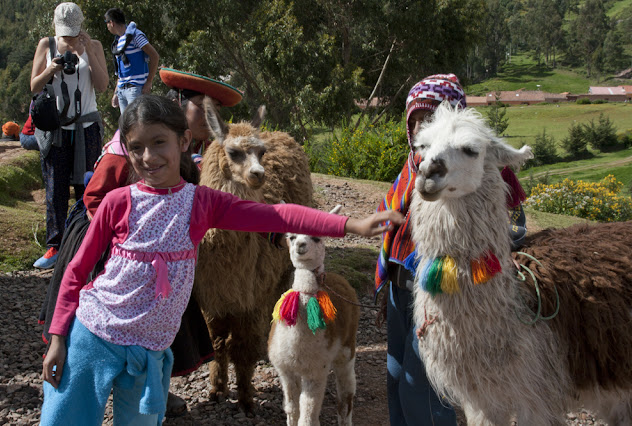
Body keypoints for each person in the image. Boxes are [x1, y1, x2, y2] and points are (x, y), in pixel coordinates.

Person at [40, 94, 403, 425]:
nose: (148, 157)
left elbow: (281, 217)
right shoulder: (119, 203)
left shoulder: (201, 204)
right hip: (94, 335)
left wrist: (353, 224)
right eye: (137, 147)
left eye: (159, 143)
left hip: (149, 351)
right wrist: (58, 337)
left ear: (183, 142)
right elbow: (77, 269)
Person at [376, 74, 528, 425]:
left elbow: (504, 237)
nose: (419, 128)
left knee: (422, 390)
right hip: (401, 287)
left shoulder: (478, 172)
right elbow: (394, 231)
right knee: (396, 378)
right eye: (415, 120)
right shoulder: (413, 169)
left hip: (444, 292)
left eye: (429, 119)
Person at [30, 2, 109, 269]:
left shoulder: (93, 45)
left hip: (87, 127)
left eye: (73, 32)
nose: (68, 37)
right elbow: (34, 85)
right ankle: (55, 246)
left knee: (88, 187)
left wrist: (85, 53)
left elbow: (101, 85)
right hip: (56, 129)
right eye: (65, 33)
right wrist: (51, 70)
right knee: (55, 187)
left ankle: (87, 244)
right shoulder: (46, 44)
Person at [105, 8, 159, 114]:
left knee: (136, 124)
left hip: (135, 88)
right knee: (126, 126)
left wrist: (149, 82)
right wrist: (116, 92)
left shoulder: (135, 35)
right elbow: (121, 71)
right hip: (122, 89)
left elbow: (155, 56)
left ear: (111, 23)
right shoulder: (119, 41)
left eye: (106, 23)